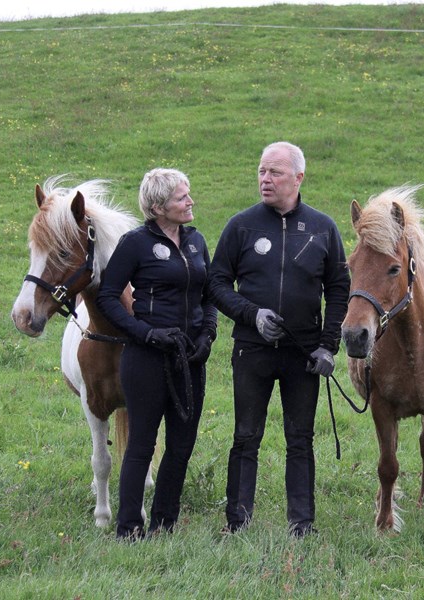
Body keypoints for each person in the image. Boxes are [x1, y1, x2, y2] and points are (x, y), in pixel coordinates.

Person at [209, 141, 350, 538]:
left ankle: (302, 524)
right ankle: (238, 521)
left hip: (303, 354)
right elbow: (216, 282)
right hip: (251, 349)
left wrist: (328, 345)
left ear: (299, 178)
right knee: (245, 435)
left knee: (300, 439)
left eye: (275, 173)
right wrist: (251, 314)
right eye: (261, 172)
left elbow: (339, 289)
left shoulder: (323, 228)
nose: (265, 180)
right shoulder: (241, 226)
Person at [96, 168, 217, 540]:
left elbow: (208, 294)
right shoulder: (135, 243)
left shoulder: (196, 242)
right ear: (157, 206)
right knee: (142, 445)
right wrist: (145, 333)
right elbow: (107, 297)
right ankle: (129, 527)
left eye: (188, 194)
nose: (190, 201)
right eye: (182, 197)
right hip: (146, 359)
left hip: (190, 360)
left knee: (181, 446)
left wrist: (207, 333)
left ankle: (165, 523)